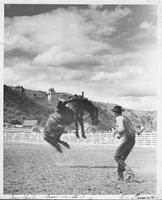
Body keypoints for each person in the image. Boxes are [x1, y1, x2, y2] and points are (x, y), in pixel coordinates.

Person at [111, 105, 136, 181]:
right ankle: (120, 177)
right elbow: (132, 129)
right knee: (121, 159)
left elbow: (121, 129)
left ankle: (129, 172)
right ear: (121, 112)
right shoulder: (125, 118)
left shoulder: (118, 118)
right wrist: (119, 134)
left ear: (115, 113)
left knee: (117, 157)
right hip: (131, 140)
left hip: (126, 139)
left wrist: (115, 132)